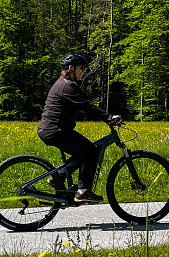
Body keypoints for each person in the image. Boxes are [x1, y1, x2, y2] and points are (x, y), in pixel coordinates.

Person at [37, 54, 119, 203]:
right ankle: (82, 191)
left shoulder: (64, 83)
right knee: (91, 150)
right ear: (71, 68)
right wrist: (108, 117)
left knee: (83, 151)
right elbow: (87, 106)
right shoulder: (67, 86)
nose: (83, 71)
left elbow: (84, 106)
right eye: (81, 68)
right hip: (54, 130)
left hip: (53, 129)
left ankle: (58, 177)